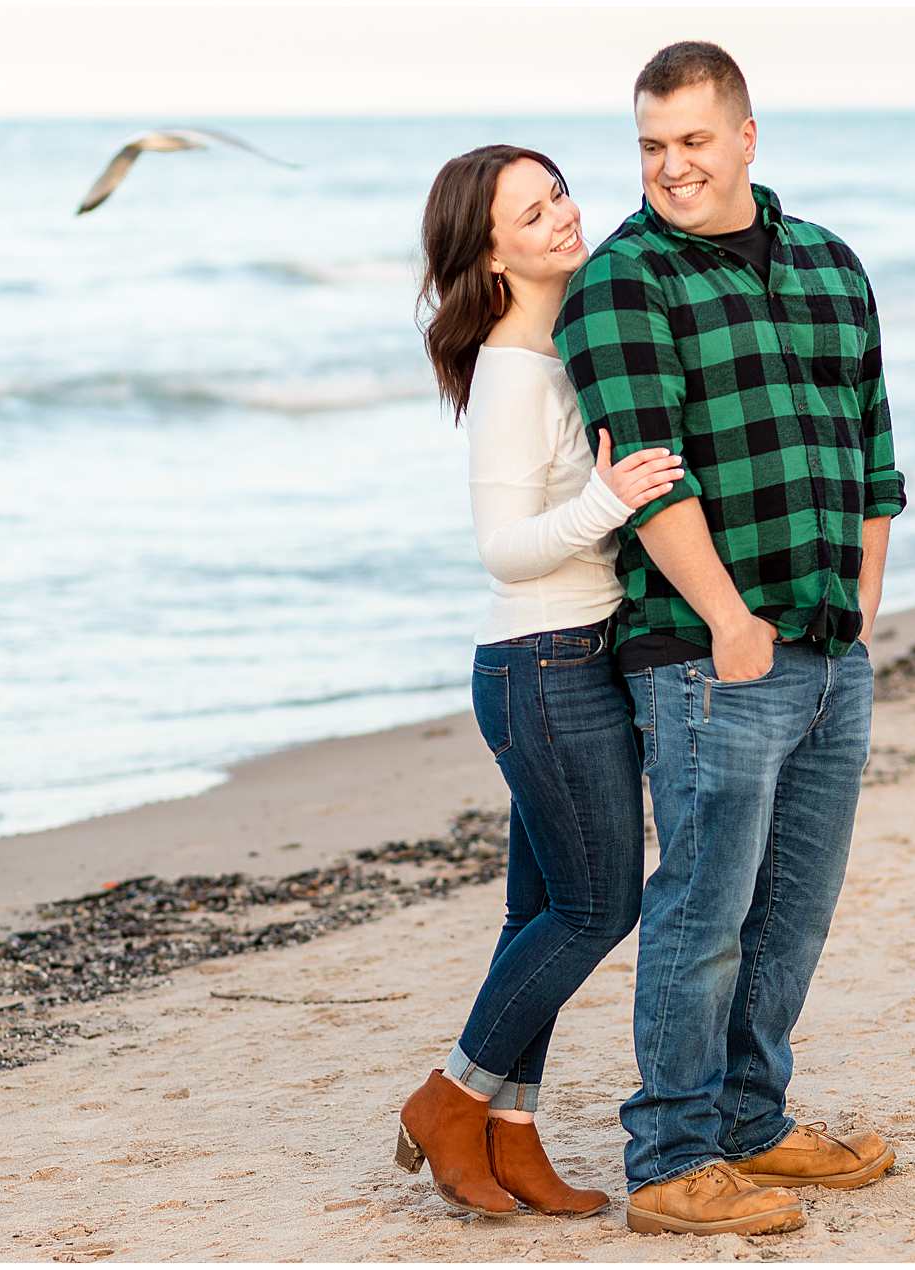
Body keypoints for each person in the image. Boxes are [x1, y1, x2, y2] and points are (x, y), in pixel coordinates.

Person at [553, 41, 907, 1236]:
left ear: (745, 137)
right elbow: (650, 480)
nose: (670, 168)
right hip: (708, 655)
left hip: (824, 647)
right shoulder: (622, 283)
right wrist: (727, 619)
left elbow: (872, 450)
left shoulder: (826, 262)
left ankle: (755, 1124)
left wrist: (858, 603)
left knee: (795, 905)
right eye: (650, 147)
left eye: (693, 141)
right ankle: (669, 1158)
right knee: (703, 906)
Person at [393, 144, 687, 1219]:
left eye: (558, 191)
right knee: (596, 906)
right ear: (490, 247)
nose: (561, 216)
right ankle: (451, 1097)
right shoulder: (515, 367)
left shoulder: (554, 342)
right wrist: (610, 498)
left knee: (538, 913)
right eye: (531, 210)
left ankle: (511, 1138)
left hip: (567, 659)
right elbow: (505, 547)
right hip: (542, 663)